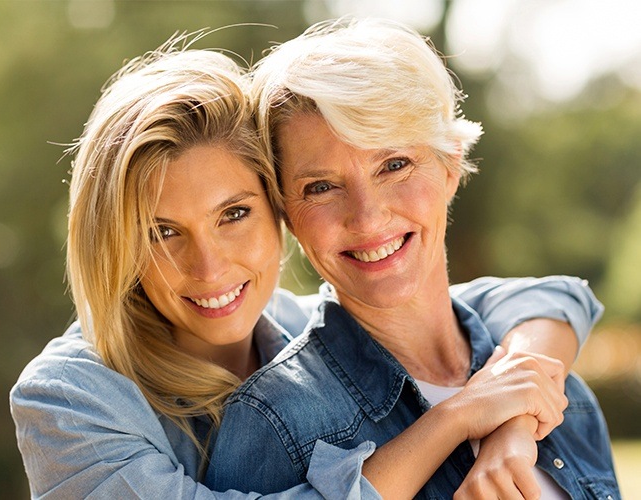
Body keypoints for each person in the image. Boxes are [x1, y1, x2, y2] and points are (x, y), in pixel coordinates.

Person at [10, 32, 602, 500]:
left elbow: (541, 296)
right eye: (162, 232)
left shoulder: (297, 320)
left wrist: (516, 415)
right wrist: (458, 417)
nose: (210, 265)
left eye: (234, 213)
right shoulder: (72, 398)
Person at [204, 18, 621, 499]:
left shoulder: (558, 388)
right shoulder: (272, 422)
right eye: (320, 187)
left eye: (394, 164)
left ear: (449, 165)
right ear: (286, 214)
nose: (366, 217)